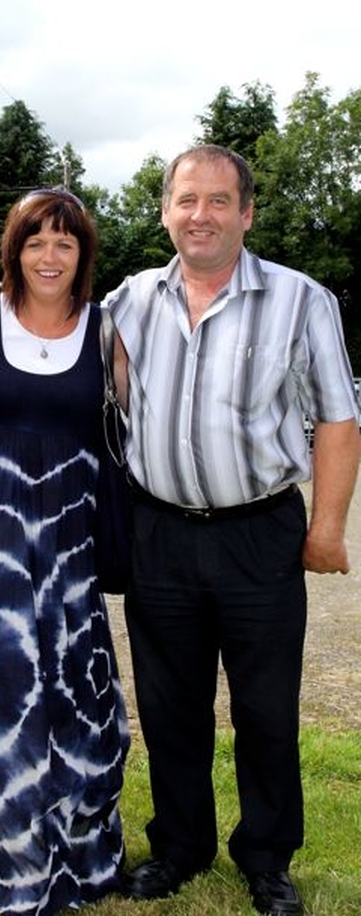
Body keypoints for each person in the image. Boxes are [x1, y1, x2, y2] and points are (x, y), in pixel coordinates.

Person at [104, 145, 360, 916]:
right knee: (169, 704)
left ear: (247, 213)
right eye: (187, 200)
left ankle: (267, 859)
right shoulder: (129, 301)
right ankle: (180, 848)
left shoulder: (300, 299)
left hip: (261, 535)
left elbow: (339, 421)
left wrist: (327, 528)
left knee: (266, 708)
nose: (201, 215)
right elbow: (47, 338)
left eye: (219, 201)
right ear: (164, 210)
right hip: (159, 534)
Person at [0, 188, 130, 916]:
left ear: (83, 256)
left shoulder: (107, 332)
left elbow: (128, 430)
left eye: (64, 243)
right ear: (14, 250)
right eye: (34, 241)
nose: (49, 256)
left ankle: (80, 848)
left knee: (72, 687)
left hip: (69, 547)